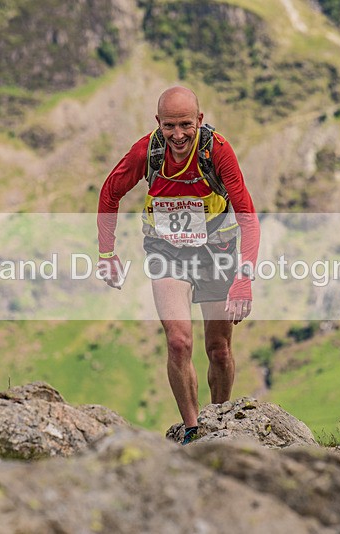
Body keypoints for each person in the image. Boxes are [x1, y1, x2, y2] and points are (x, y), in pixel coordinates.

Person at [96, 86, 260, 445]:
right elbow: (110, 192)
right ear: (158, 122)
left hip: (216, 251)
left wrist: (244, 279)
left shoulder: (217, 151)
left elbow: (247, 215)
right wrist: (107, 254)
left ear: (199, 120)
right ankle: (192, 430)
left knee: (219, 349)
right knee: (179, 342)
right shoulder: (147, 151)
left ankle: (219, 420)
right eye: (169, 125)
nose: (178, 134)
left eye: (186, 124)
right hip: (166, 251)